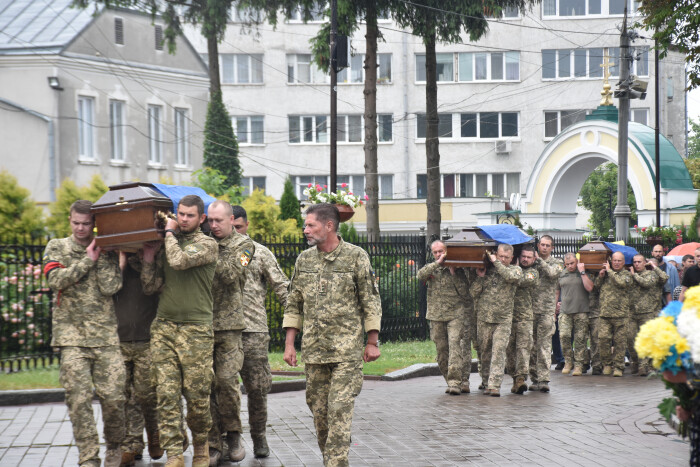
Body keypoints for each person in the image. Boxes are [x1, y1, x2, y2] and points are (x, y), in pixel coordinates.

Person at [283, 203, 381, 467]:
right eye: (305, 225)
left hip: (346, 353)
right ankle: (332, 459)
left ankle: (336, 464)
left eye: (310, 225)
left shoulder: (356, 256)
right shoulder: (304, 260)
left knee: (339, 410)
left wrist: (372, 341)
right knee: (320, 414)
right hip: (314, 352)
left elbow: (370, 300)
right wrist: (290, 344)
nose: (305, 230)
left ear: (329, 226)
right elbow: (294, 303)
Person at [42, 200, 126, 467]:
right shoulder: (57, 247)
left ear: (94, 224)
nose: (80, 228)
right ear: (69, 220)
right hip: (71, 338)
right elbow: (56, 280)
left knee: (114, 398)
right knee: (78, 401)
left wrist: (102, 254)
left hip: (105, 338)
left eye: (86, 223)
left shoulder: (107, 250)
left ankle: (114, 445)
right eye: (76, 223)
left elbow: (111, 287)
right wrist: (86, 260)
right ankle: (88, 457)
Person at [141, 195, 218, 467]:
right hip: (164, 328)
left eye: (189, 215)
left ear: (202, 219)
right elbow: (151, 287)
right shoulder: (167, 245)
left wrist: (170, 232)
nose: (183, 219)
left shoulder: (207, 244)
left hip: (196, 330)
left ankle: (200, 447)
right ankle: (174, 452)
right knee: (166, 394)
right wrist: (149, 260)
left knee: (197, 397)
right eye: (180, 214)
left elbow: (180, 262)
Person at [231, 205, 289, 458]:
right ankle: (228, 440)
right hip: (223, 332)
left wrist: (295, 320)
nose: (235, 232)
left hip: (253, 331)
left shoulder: (258, 252)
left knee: (257, 388)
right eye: (230, 227)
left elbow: (282, 287)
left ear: (246, 225)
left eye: (239, 227)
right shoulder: (212, 251)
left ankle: (259, 437)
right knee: (223, 389)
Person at [206, 200, 255, 465]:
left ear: (230, 220)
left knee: (226, 382)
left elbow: (230, 274)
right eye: (210, 221)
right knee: (205, 386)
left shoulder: (245, 246)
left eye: (218, 221)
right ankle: (213, 443)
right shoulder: (202, 240)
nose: (213, 226)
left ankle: (233, 433)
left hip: (229, 326)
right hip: (201, 325)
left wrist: (210, 248)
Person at [114, 252, 162, 466]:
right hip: (118, 338)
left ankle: (154, 432)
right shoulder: (108, 259)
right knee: (123, 395)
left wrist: (144, 256)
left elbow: (152, 285)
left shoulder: (151, 257)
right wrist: (121, 259)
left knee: (146, 393)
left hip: (146, 337)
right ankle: (131, 444)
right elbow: (109, 286)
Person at [416, 240, 470, 395]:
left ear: (447, 251)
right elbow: (420, 275)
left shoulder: (459, 270)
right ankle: (450, 379)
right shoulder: (432, 268)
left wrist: (453, 274)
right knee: (441, 351)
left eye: (441, 251)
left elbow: (466, 294)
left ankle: (455, 382)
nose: (439, 254)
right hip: (436, 315)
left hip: (455, 315)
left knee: (455, 346)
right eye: (436, 252)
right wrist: (438, 263)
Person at [470, 243, 523, 397]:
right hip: (484, 318)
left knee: (499, 352)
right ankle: (486, 382)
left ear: (512, 258)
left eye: (507, 257)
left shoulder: (515, 270)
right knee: (485, 352)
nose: (503, 259)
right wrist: (480, 278)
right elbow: (473, 293)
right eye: (501, 256)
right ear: (496, 254)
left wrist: (496, 262)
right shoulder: (487, 271)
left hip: (503, 319)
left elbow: (509, 277)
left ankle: (495, 385)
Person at [529, 235, 564, 393]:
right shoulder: (530, 262)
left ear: (552, 248)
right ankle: (534, 377)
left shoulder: (557, 263)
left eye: (547, 245)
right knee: (531, 345)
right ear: (538, 245)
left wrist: (538, 261)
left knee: (544, 345)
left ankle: (543, 379)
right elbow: (526, 277)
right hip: (529, 309)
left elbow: (551, 273)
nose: (544, 248)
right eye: (542, 244)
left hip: (546, 311)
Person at [506, 245, 539, 394]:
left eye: (528, 257)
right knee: (510, 351)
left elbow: (520, 280)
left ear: (534, 259)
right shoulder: (509, 270)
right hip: (507, 316)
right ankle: (514, 378)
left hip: (525, 317)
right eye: (523, 256)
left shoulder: (533, 273)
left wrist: (515, 270)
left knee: (524, 349)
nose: (525, 259)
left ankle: (520, 379)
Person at [628, 254, 668, 376]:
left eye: (639, 262)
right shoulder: (630, 274)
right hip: (632, 312)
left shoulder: (652, 274)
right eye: (634, 262)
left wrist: (654, 266)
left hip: (648, 312)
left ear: (645, 262)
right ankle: (635, 361)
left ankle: (644, 365)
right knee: (630, 339)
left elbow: (661, 278)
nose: (637, 264)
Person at [595, 252, 633, 377]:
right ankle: (607, 364)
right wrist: (601, 276)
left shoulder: (626, 275)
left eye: (619, 261)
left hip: (620, 315)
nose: (616, 263)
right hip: (605, 314)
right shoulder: (606, 274)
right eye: (614, 260)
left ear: (623, 262)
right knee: (603, 340)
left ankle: (618, 366)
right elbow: (596, 287)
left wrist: (609, 271)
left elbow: (620, 283)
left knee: (620, 342)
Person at [556, 253, 594, 377]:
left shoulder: (583, 272)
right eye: (567, 264)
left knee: (580, 339)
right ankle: (568, 361)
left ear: (577, 261)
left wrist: (582, 272)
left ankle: (579, 364)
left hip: (581, 311)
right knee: (564, 336)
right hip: (565, 311)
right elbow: (557, 290)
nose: (570, 266)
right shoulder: (561, 273)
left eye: (572, 263)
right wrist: (555, 304)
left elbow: (590, 287)